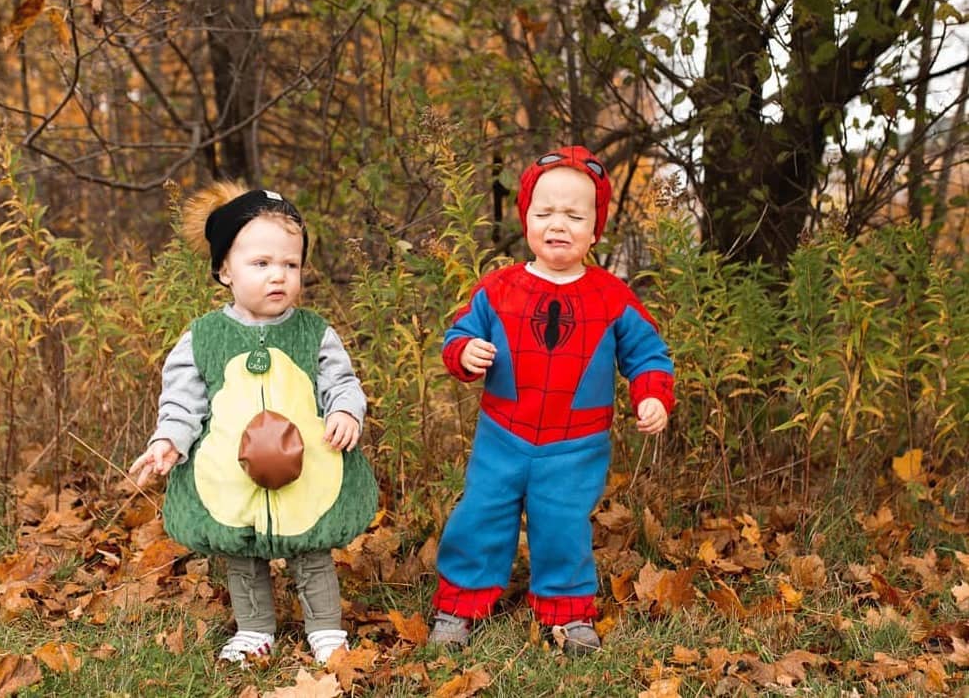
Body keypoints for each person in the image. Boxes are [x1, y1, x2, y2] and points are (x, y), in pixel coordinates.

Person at [428, 146, 674, 656]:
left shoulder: (611, 297)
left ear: (595, 230)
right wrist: (464, 352)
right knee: (481, 512)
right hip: (503, 432)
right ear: (526, 220)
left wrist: (651, 394)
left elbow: (648, 353)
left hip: (576, 442)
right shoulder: (498, 289)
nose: (557, 224)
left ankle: (566, 610)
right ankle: (461, 603)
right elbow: (459, 333)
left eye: (574, 215)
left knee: (561, 521)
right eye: (544, 213)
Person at [128, 183, 378, 666]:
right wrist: (168, 440)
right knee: (242, 553)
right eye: (260, 264)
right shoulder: (202, 338)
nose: (278, 276)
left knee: (312, 549)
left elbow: (341, 382)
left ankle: (325, 628)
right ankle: (255, 629)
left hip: (306, 470)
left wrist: (347, 411)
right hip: (232, 473)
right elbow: (182, 402)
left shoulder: (314, 332)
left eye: (290, 264)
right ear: (225, 270)